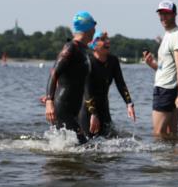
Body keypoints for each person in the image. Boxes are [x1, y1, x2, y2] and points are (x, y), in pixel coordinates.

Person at [45, 11, 97, 142]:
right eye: (93, 26)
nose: (95, 30)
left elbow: (86, 85)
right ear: (88, 28)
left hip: (73, 111)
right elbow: (54, 73)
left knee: (75, 147)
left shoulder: (84, 51)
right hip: (63, 108)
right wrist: (49, 101)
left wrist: (93, 113)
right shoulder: (70, 48)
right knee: (84, 146)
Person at [142, 0, 178, 138]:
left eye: (167, 14)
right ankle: (174, 159)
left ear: (175, 14)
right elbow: (167, 68)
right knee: (170, 134)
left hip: (166, 90)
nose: (163, 17)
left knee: (158, 134)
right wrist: (153, 65)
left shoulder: (177, 36)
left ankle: (161, 160)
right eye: (161, 14)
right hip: (167, 88)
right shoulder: (168, 35)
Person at [79, 30, 136, 138]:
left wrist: (129, 103)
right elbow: (87, 90)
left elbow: (120, 83)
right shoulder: (88, 62)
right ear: (94, 45)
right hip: (87, 110)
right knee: (86, 145)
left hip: (104, 108)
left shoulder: (113, 61)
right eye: (103, 39)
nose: (107, 42)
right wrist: (93, 114)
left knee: (109, 140)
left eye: (107, 39)